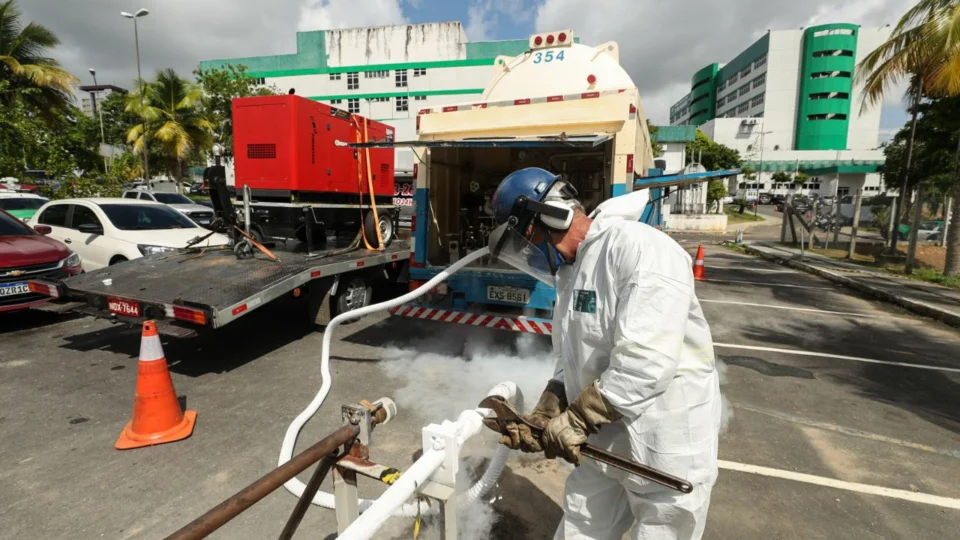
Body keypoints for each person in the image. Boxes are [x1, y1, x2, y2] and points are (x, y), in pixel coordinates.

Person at [488, 167, 722, 540]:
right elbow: (573, 356)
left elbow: (646, 362)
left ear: (547, 216)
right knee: (580, 528)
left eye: (523, 241)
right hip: (603, 444)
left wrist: (577, 420)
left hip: (663, 444)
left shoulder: (638, 248)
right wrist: (551, 406)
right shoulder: (571, 270)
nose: (528, 255)